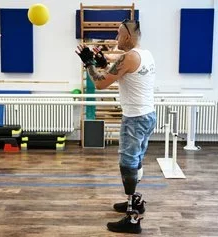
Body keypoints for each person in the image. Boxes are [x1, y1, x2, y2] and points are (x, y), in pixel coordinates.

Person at [76, 19, 156, 234]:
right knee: (136, 160)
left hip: (135, 119)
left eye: (119, 34)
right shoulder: (144, 54)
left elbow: (100, 84)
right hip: (147, 115)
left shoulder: (128, 57)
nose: (116, 38)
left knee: (127, 163)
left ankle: (132, 217)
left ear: (128, 36)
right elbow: (119, 72)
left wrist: (88, 64)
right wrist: (102, 62)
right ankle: (135, 200)